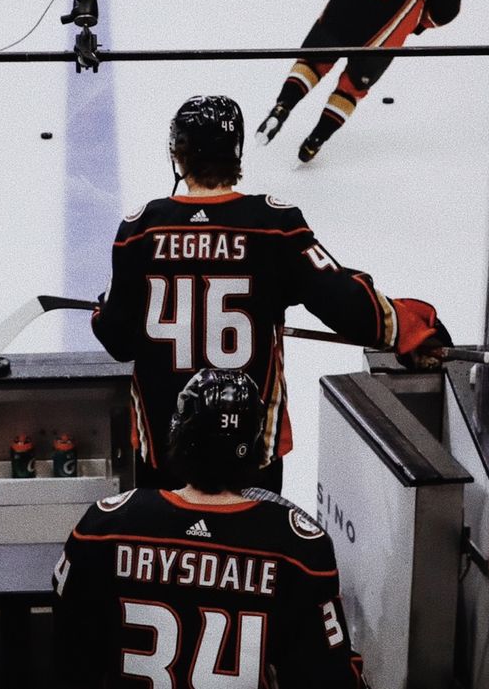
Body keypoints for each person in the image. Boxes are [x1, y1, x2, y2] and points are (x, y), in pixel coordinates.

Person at [91, 94, 453, 493]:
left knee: (170, 552)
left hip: (166, 445)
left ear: (178, 154)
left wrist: (102, 309)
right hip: (247, 444)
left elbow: (117, 339)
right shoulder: (273, 225)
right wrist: (411, 328)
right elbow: (341, 299)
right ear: (237, 154)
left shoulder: (140, 231)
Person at [52, 368, 369, 688]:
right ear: (256, 449)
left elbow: (70, 661)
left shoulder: (103, 527)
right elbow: (329, 680)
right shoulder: (299, 549)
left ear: (179, 436)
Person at [256, 0, 462, 164]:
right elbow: (449, 9)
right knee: (352, 87)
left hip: (342, 9)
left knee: (311, 64)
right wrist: (418, 22)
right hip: (384, 28)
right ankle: (315, 140)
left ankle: (283, 106)